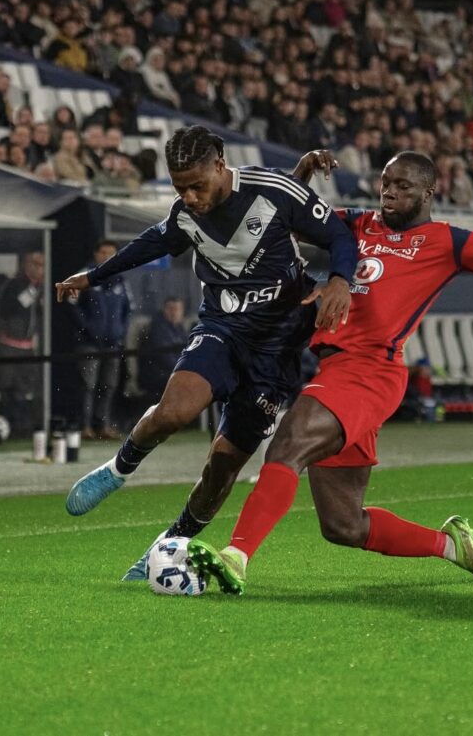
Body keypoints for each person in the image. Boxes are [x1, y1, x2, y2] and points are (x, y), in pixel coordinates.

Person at [181, 151, 473, 595]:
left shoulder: (446, 242)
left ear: (429, 193)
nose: (389, 192)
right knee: (344, 525)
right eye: (386, 183)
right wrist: (301, 177)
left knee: (288, 444)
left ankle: (235, 557)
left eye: (403, 186)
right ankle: (453, 545)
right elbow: (287, 217)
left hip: (370, 372)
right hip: (340, 370)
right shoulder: (356, 225)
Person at [56, 127, 357, 580]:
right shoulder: (185, 216)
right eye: (180, 188)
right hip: (222, 329)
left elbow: (339, 236)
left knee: (222, 464)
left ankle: (167, 546)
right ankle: (117, 470)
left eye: (197, 185)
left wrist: (338, 280)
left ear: (220, 164)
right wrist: (93, 276)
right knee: (175, 410)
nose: (190, 197)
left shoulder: (273, 191)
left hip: (276, 353)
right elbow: (145, 246)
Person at [68, 240, 131, 440]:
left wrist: (120, 331)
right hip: (89, 342)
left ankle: (102, 425)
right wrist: (87, 329)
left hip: (112, 342)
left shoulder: (120, 279)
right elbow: (72, 306)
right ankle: (84, 426)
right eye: (103, 252)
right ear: (96, 254)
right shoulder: (83, 275)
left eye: (111, 253)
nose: (107, 257)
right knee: (87, 385)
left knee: (109, 385)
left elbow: (128, 310)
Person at [0, 251, 45, 436]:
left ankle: (25, 427)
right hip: (8, 346)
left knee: (27, 389)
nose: (39, 268)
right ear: (25, 264)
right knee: (7, 388)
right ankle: (6, 427)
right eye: (34, 263)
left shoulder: (45, 287)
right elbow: (7, 311)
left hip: (29, 348)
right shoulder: (14, 284)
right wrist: (31, 291)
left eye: (42, 264)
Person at [138, 297, 187, 398]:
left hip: (173, 372)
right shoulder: (157, 327)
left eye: (176, 309)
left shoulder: (180, 328)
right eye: (170, 309)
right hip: (158, 374)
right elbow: (164, 358)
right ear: (164, 310)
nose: (173, 313)